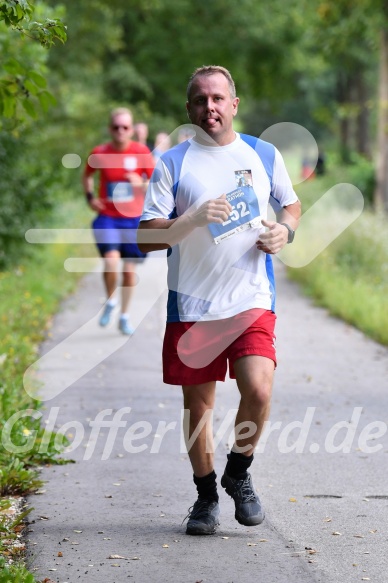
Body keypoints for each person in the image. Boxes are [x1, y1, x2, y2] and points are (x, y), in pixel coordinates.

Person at [137, 66, 301, 535]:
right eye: (198, 100)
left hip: (251, 298)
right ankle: (206, 494)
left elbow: (290, 204)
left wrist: (284, 232)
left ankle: (238, 473)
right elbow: (146, 238)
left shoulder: (264, 154)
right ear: (188, 109)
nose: (209, 107)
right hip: (193, 304)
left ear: (234, 103)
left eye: (217, 98)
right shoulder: (173, 163)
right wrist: (189, 219)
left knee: (260, 389)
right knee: (200, 408)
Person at [83, 107, 154, 335]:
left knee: (129, 272)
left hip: (133, 219)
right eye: (116, 127)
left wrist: (139, 183)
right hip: (108, 218)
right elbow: (87, 175)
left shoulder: (142, 152)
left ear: (131, 129)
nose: (121, 131)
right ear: (109, 129)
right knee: (111, 261)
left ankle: (124, 315)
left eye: (125, 127)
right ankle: (110, 301)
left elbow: (157, 185)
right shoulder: (100, 152)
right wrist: (90, 198)